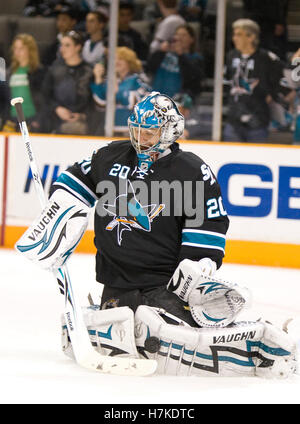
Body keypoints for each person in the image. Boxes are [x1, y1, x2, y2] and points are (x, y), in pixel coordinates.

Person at [17, 91, 297, 378]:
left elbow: (209, 227)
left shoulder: (191, 170)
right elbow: (73, 181)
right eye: (137, 130)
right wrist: (58, 215)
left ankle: (260, 343)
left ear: (170, 130)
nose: (142, 139)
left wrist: (198, 268)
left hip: (162, 287)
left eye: (150, 133)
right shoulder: (109, 155)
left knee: (169, 339)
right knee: (133, 338)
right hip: (115, 282)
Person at [223, 19, 286, 143]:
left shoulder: (266, 58)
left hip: (258, 120)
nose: (234, 38)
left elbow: (284, 78)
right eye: (234, 34)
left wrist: (273, 95)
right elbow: (226, 82)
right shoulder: (231, 56)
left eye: (239, 34)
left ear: (251, 37)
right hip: (234, 119)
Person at [41, 30, 93, 134]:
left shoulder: (89, 71)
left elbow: (94, 100)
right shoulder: (54, 69)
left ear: (78, 47)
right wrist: (57, 108)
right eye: (61, 45)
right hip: (56, 123)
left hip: (84, 125)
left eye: (67, 45)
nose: (62, 49)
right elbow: (45, 95)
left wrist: (83, 115)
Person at [90, 46, 150, 134]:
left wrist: (117, 93)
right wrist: (98, 79)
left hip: (132, 130)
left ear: (129, 62)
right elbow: (100, 105)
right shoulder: (110, 80)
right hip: (110, 129)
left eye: (121, 59)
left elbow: (141, 104)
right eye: (114, 59)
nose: (116, 62)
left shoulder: (138, 79)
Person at [146, 24, 204, 99]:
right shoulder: (163, 54)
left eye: (184, 35)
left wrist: (181, 55)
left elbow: (192, 78)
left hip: (179, 101)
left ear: (191, 39)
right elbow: (149, 68)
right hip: (156, 99)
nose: (179, 38)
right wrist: (160, 52)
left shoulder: (196, 58)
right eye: (177, 34)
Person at [2, 34, 45, 133]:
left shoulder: (39, 72)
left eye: (21, 48)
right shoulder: (9, 73)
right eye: (15, 48)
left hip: (31, 119)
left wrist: (39, 120)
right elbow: (4, 99)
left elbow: (44, 98)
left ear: (30, 50)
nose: (17, 52)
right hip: (11, 120)